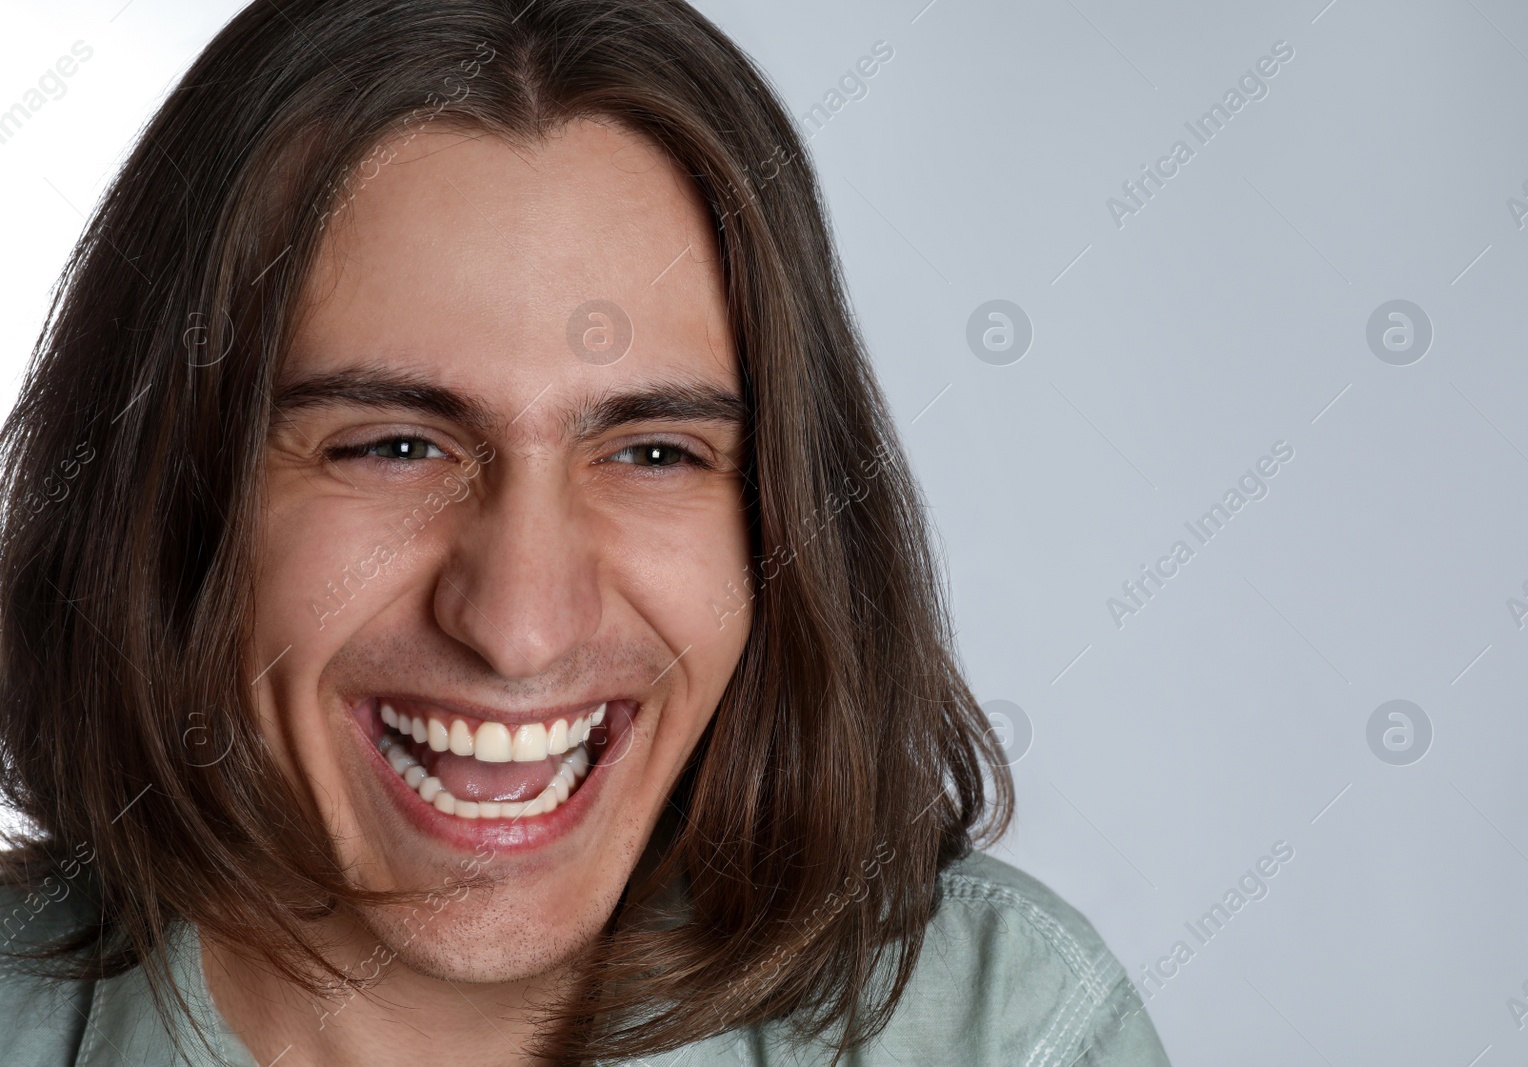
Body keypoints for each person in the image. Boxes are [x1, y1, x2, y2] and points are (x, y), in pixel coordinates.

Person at [0, 1, 1169, 1064]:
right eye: (393, 445)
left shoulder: (1002, 1032)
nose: (518, 627)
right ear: (162, 499)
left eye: (654, 453)